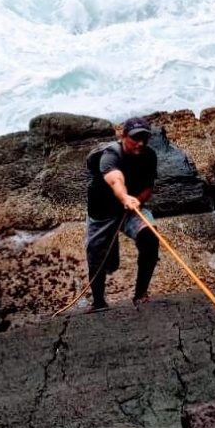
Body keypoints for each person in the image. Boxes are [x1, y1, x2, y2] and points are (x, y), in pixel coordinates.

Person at [85, 117, 160, 311]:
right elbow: (115, 180)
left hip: (131, 208)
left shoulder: (149, 155)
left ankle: (140, 294)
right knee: (97, 258)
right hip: (102, 211)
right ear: (123, 136)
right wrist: (125, 197)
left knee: (150, 238)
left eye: (145, 138)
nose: (141, 143)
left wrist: (137, 201)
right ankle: (99, 302)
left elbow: (149, 187)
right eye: (135, 138)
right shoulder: (111, 155)